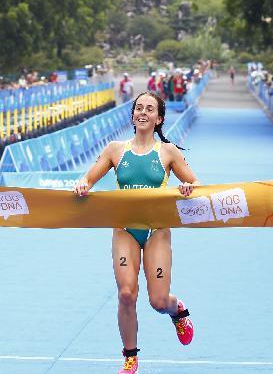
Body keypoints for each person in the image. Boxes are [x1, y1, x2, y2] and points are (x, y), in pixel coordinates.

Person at [74, 91, 200, 374]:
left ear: (159, 118)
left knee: (158, 301)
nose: (143, 112)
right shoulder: (115, 150)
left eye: (149, 109)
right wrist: (83, 183)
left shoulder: (168, 152)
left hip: (156, 230)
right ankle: (131, 359)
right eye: (138, 108)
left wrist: (189, 187)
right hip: (125, 230)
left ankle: (177, 310)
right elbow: (89, 177)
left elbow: (195, 181)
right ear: (133, 115)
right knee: (127, 294)